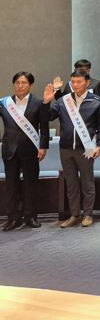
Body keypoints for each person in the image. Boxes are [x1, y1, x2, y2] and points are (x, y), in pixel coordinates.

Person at [44, 71, 100, 228]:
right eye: (73, 82)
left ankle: (88, 214)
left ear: (87, 82)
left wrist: (99, 145)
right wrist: (46, 103)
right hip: (65, 148)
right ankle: (74, 215)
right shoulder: (63, 101)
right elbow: (49, 117)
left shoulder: (97, 101)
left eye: (79, 82)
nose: (75, 85)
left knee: (87, 183)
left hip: (86, 148)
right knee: (71, 184)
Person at [0, 72, 49, 230]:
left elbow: (44, 127)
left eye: (23, 83)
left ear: (30, 85)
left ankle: (30, 216)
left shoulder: (39, 103)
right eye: (17, 83)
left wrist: (43, 146)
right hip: (10, 149)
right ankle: (12, 218)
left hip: (31, 150)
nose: (19, 86)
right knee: (11, 185)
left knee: (30, 184)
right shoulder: (4, 103)